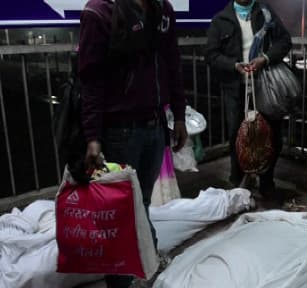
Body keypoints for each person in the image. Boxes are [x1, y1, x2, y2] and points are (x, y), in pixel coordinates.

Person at [79, 0, 187, 286]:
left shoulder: (162, 9)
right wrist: (93, 138)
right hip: (119, 132)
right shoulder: (99, 12)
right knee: (122, 215)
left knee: (143, 203)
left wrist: (179, 116)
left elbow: (172, 62)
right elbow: (91, 81)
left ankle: (145, 266)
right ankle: (122, 281)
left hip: (155, 126)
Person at [206, 0, 291, 204]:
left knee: (271, 135)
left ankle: (266, 183)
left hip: (264, 86)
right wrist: (234, 65)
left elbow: (285, 41)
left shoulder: (265, 13)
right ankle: (239, 181)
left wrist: (265, 59)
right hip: (235, 89)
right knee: (238, 136)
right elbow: (211, 54)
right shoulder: (221, 20)